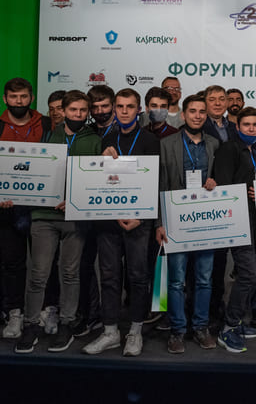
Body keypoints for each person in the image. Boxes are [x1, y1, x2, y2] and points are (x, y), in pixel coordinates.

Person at [13, 91, 101, 354]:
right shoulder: (47, 137)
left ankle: (66, 323)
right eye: (73, 110)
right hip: (44, 216)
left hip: (75, 219)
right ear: (63, 110)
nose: (78, 115)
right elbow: (30, 170)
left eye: (83, 110)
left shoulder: (95, 141)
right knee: (38, 274)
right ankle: (30, 325)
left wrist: (75, 199)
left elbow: (97, 180)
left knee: (70, 273)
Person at [83, 88, 160, 357]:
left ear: (138, 110)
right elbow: (100, 179)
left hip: (139, 220)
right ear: (114, 109)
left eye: (130, 106)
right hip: (109, 219)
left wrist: (141, 216)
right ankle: (110, 331)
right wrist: (101, 161)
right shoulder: (106, 138)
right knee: (109, 277)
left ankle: (135, 331)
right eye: (120, 106)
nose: (124, 111)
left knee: (138, 277)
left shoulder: (150, 139)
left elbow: (155, 179)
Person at [0, 78, 49, 340]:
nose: (19, 101)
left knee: (44, 264)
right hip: (5, 210)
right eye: (13, 97)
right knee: (12, 265)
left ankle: (44, 310)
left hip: (41, 208)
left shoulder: (47, 125)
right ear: (5, 99)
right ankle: (14, 313)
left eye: (23, 96)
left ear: (31, 98)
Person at [154, 94, 221, 354]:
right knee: (176, 281)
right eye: (192, 111)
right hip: (175, 221)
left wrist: (215, 183)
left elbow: (221, 180)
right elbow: (160, 184)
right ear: (183, 115)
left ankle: (201, 327)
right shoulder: (167, 143)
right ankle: (178, 330)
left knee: (204, 279)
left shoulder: (214, 144)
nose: (197, 115)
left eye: (202, 112)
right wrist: (159, 223)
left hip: (205, 221)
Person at [213, 106, 256, 352]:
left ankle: (236, 320)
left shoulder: (255, 150)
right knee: (248, 273)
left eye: (255, 125)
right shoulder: (229, 149)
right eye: (246, 125)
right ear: (237, 127)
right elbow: (225, 187)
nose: (251, 129)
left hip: (254, 220)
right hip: (237, 221)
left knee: (253, 274)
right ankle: (228, 327)